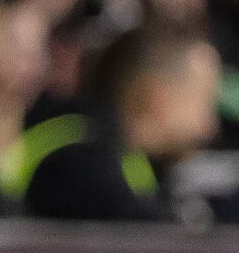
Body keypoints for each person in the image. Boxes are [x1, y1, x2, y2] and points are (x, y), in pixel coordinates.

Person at [11, 17, 226, 225]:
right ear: (156, 98)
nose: (211, 126)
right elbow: (151, 235)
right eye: (204, 100)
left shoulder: (130, 160)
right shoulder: (76, 158)